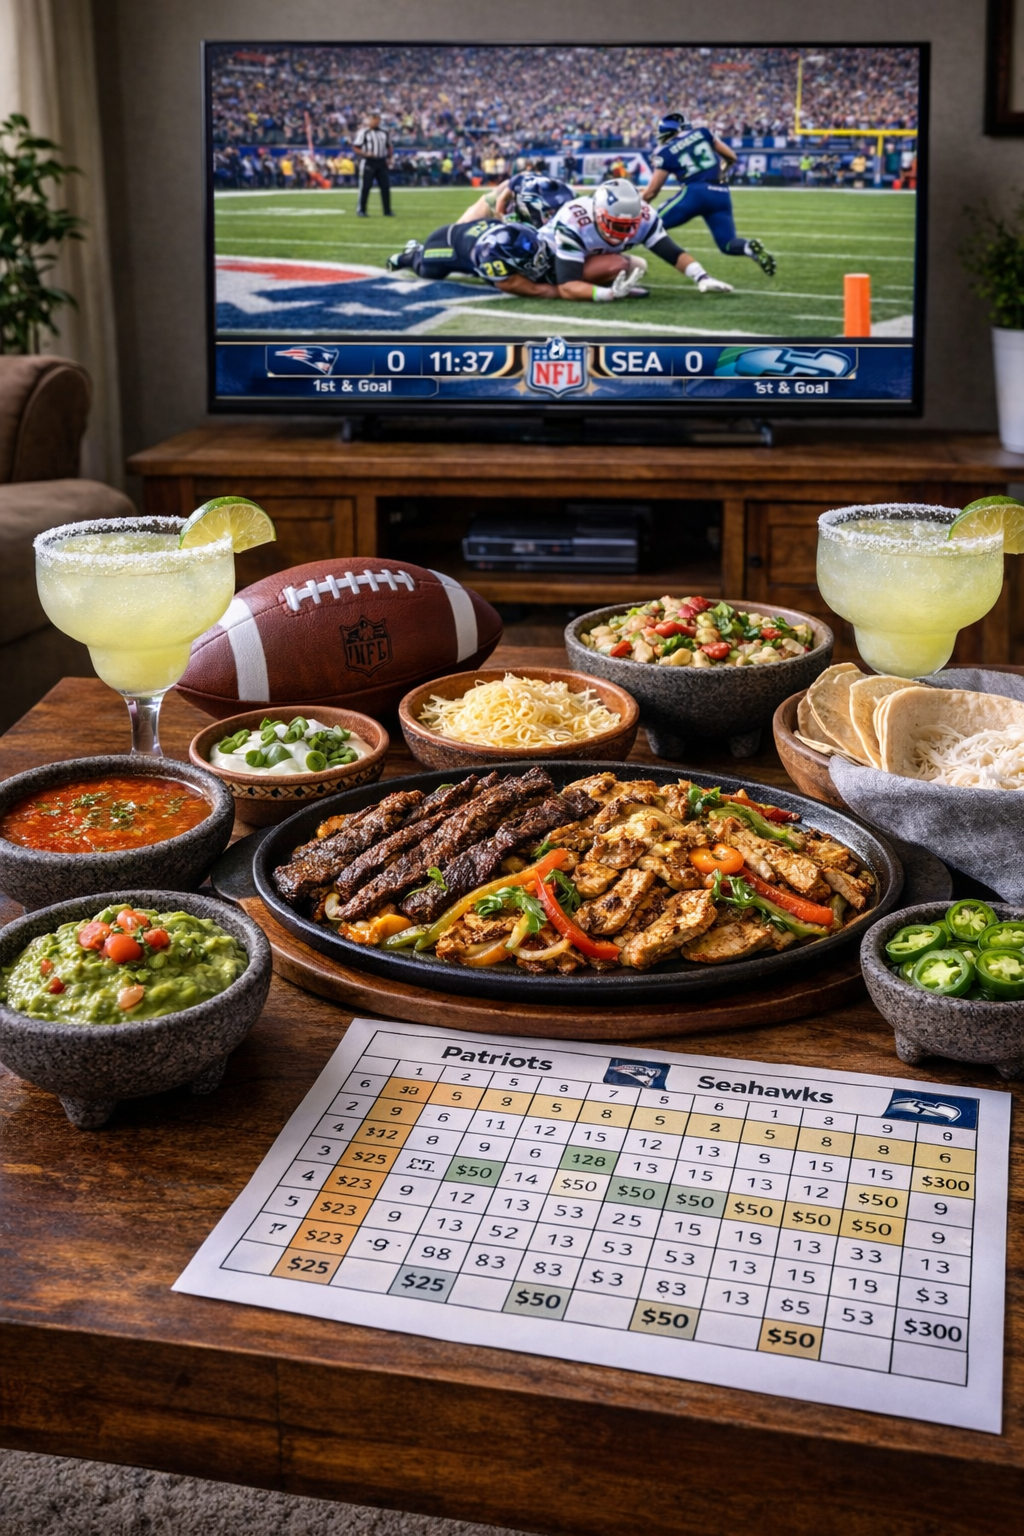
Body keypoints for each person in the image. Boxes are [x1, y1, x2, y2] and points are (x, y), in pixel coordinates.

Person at [540, 178, 733, 297]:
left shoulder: (646, 218)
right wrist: (607, 294)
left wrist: (702, 276)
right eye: (616, 224)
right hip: (547, 260)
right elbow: (566, 286)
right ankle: (545, 283)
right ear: (598, 214)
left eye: (630, 225)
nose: (623, 233)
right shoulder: (575, 219)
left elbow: (672, 252)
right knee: (616, 265)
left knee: (638, 266)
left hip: (588, 256)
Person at [386, 214, 642, 303]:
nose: (540, 260)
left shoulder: (523, 234)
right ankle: (410, 253)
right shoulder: (494, 261)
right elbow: (541, 291)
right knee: (427, 270)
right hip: (449, 244)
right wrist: (595, 292)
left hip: (484, 232)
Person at [642, 111, 776, 277]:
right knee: (728, 244)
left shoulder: (665, 152)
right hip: (720, 193)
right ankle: (748, 247)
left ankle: (613, 256)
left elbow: (651, 192)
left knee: (645, 226)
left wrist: (634, 206)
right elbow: (731, 157)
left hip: (695, 193)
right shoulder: (703, 133)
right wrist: (721, 172)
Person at [353, 112, 393, 217]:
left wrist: (390, 158)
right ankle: (361, 210)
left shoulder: (384, 132)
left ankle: (387, 210)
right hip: (368, 161)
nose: (375, 121)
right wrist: (365, 153)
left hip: (381, 162)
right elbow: (356, 147)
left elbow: (389, 146)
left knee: (385, 186)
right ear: (369, 120)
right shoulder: (364, 132)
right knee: (365, 187)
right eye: (373, 119)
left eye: (377, 119)